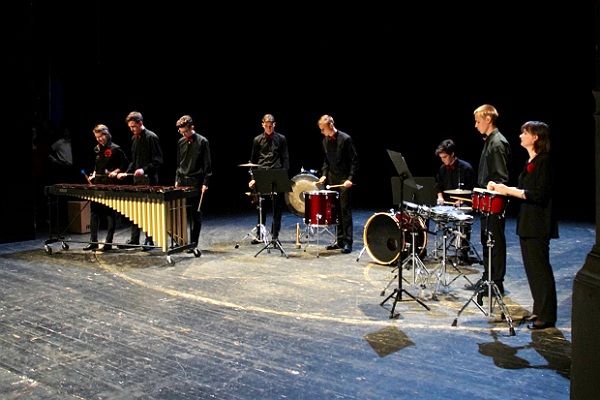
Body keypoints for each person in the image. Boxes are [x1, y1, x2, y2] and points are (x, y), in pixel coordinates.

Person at [487, 121, 558, 330]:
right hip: (528, 223)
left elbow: (539, 194)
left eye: (524, 132)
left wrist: (507, 190)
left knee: (540, 269)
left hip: (538, 224)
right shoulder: (531, 160)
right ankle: (539, 310)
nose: (520, 136)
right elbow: (523, 189)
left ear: (535, 137)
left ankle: (547, 315)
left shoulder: (544, 161)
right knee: (533, 270)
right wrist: (501, 188)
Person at [470, 104, 511, 295]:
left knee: (495, 242)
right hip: (487, 201)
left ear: (488, 119)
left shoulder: (497, 143)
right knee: (487, 240)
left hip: (494, 201)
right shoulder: (489, 141)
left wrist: (491, 187)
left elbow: (501, 177)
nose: (476, 125)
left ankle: (496, 282)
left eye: (478, 121)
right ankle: (488, 277)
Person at [117, 111, 164, 250]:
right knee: (136, 210)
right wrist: (126, 173)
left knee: (148, 212)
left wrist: (144, 169)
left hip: (149, 180)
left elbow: (158, 160)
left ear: (140, 123)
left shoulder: (151, 137)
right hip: (137, 180)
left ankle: (150, 241)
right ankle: (134, 240)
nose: (132, 129)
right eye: (130, 127)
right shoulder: (134, 139)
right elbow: (134, 161)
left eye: (134, 126)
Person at [317, 114, 359, 254]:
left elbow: (354, 161)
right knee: (335, 212)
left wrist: (350, 178)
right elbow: (326, 161)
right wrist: (324, 175)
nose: (321, 132)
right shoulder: (325, 141)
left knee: (344, 211)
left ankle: (348, 242)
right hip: (331, 180)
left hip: (344, 180)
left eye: (323, 129)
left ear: (330, 125)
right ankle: (339, 240)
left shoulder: (345, 139)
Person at [83, 124, 128, 251]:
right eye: (96, 137)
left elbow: (124, 164)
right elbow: (97, 166)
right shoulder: (97, 149)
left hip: (110, 184)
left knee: (109, 213)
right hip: (97, 184)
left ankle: (108, 243)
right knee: (94, 212)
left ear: (106, 134)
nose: (99, 139)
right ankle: (93, 242)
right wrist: (93, 174)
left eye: (100, 137)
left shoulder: (116, 149)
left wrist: (116, 171)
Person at [248, 114, 289, 242]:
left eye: (270, 126)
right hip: (262, 174)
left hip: (276, 174)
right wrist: (253, 177)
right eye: (266, 126)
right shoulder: (257, 140)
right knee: (261, 207)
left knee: (277, 207)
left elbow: (285, 158)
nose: (269, 128)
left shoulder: (281, 139)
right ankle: (260, 235)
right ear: (262, 125)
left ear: (274, 124)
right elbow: (253, 160)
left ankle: (275, 235)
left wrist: (283, 175)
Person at [434, 139, 476, 263]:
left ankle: (462, 250)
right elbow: (438, 186)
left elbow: (471, 189)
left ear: (452, 154)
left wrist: (461, 200)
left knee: (463, 215)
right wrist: (440, 197)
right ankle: (438, 249)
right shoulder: (442, 168)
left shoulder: (466, 168)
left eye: (445, 157)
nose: (443, 160)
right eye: (441, 158)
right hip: (448, 204)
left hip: (464, 203)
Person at [175, 115, 212, 254]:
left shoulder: (203, 141)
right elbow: (179, 163)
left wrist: (205, 183)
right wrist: (177, 179)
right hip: (182, 181)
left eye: (186, 132)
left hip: (196, 181)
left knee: (195, 214)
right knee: (181, 213)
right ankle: (182, 242)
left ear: (192, 127)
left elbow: (207, 165)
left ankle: (193, 243)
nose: (184, 134)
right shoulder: (180, 142)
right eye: (181, 132)